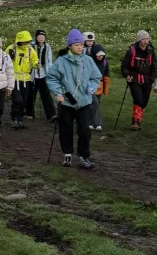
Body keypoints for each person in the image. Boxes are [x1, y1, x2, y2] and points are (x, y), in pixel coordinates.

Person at [46, 29, 103, 169]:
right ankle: (67, 154)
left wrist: (91, 87)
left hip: (84, 101)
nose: (80, 47)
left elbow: (96, 77)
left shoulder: (88, 60)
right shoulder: (61, 61)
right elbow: (52, 78)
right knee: (66, 129)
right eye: (77, 44)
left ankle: (84, 156)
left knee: (85, 130)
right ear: (70, 45)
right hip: (66, 102)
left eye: (81, 44)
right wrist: (58, 93)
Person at [121, 30, 157, 130]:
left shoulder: (151, 51)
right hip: (134, 79)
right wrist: (127, 75)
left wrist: (152, 79)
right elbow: (124, 66)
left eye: (147, 39)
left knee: (144, 102)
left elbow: (155, 67)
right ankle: (135, 121)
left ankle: (138, 119)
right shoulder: (131, 51)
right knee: (138, 99)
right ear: (139, 40)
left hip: (147, 80)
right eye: (143, 39)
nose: (146, 41)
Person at [10, 30, 38, 129]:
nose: (26, 44)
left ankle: (20, 119)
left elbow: (34, 61)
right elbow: (4, 60)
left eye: (27, 41)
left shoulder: (30, 50)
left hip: (26, 79)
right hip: (14, 78)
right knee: (17, 100)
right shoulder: (12, 48)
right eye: (24, 42)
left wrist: (36, 65)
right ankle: (14, 118)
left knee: (24, 101)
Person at [83, 33, 109, 130]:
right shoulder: (85, 53)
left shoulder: (99, 53)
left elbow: (106, 73)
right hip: (88, 83)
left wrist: (105, 86)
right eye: (88, 41)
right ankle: (95, 123)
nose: (90, 42)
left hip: (99, 85)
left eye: (92, 41)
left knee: (95, 103)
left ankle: (91, 122)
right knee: (93, 102)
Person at [30, 30, 56, 119]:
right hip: (32, 74)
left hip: (43, 73)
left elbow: (49, 61)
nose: (41, 38)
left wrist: (50, 73)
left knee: (46, 94)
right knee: (31, 94)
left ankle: (51, 114)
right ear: (36, 37)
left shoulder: (47, 47)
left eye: (43, 37)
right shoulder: (31, 46)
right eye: (39, 36)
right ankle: (29, 114)